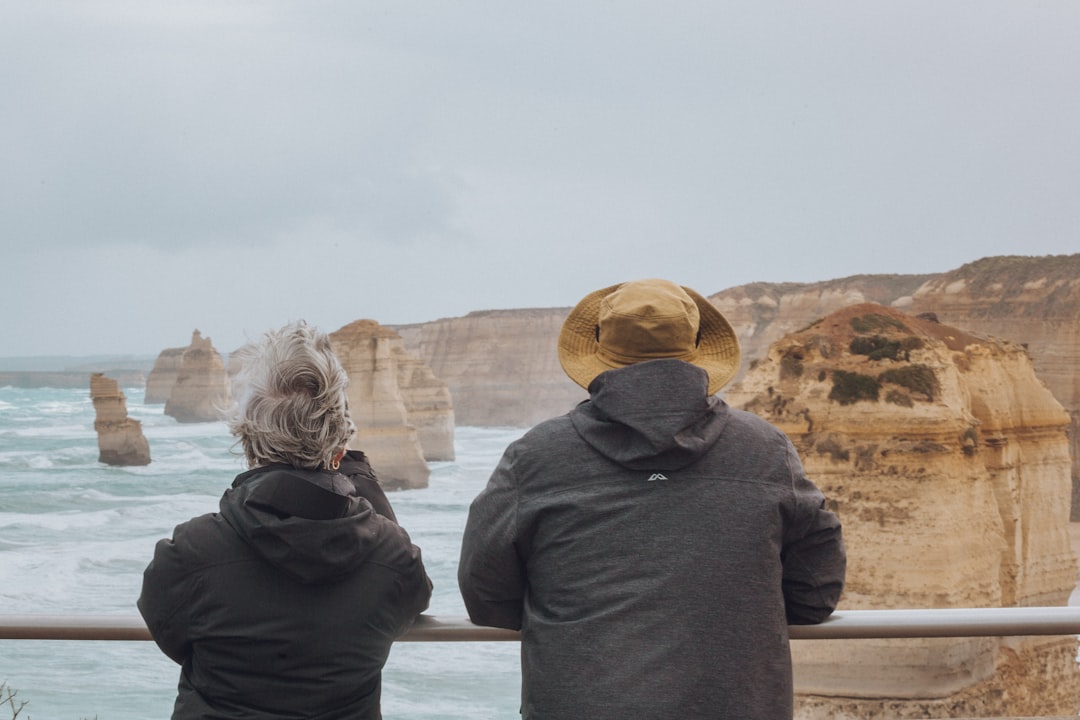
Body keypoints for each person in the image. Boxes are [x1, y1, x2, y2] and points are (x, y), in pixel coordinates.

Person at [458, 278, 845, 720]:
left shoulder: (536, 455)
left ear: (601, 353)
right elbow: (815, 597)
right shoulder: (766, 450)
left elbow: (487, 597)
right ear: (696, 348)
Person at [138, 320, 431, 720]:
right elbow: (407, 599)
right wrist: (353, 467)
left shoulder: (190, 553)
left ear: (248, 439)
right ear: (339, 445)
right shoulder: (392, 559)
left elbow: (170, 633)